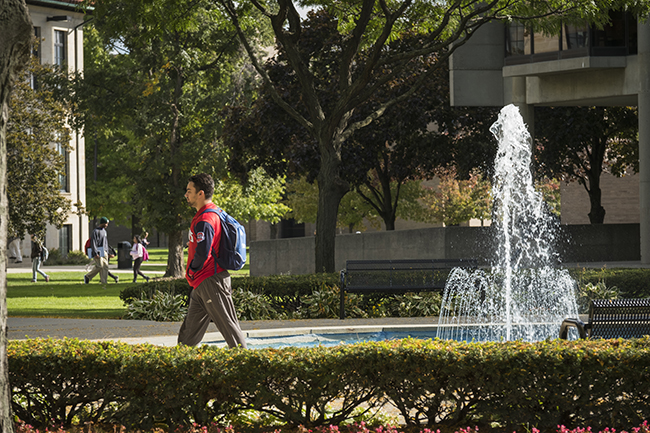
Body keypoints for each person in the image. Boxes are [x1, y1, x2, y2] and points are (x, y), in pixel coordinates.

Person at [177, 173, 247, 349]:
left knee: (229, 327)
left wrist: (192, 270)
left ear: (200, 193)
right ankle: (181, 367)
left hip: (210, 281)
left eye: (189, 191)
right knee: (187, 336)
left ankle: (247, 363)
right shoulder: (212, 213)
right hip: (201, 284)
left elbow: (203, 252)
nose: (186, 195)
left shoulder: (206, 218)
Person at [84, 217, 113, 286]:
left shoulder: (104, 231)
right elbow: (93, 242)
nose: (107, 225)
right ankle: (88, 276)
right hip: (98, 250)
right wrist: (95, 253)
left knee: (105, 267)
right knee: (100, 265)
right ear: (102, 223)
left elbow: (105, 242)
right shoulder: (95, 231)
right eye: (106, 223)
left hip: (104, 251)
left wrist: (109, 252)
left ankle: (104, 282)